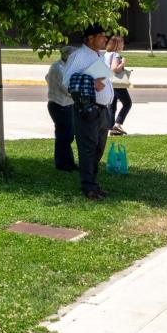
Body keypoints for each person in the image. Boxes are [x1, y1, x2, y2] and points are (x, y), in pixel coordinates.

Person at [61, 25, 115, 201]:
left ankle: (93, 183)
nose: (105, 39)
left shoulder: (98, 55)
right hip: (88, 109)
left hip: (102, 110)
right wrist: (91, 83)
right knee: (88, 149)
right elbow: (66, 83)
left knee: (98, 149)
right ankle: (88, 187)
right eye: (101, 36)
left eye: (105, 36)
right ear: (89, 38)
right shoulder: (79, 56)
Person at [43, 42, 80, 171]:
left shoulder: (63, 67)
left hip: (66, 105)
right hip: (59, 105)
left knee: (68, 135)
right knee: (63, 135)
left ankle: (69, 162)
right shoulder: (58, 68)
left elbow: (47, 77)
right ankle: (61, 163)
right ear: (68, 57)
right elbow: (67, 90)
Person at [106, 34, 132, 136]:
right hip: (117, 83)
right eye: (122, 43)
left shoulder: (107, 54)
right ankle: (118, 124)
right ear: (117, 44)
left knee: (112, 106)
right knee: (127, 103)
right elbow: (114, 69)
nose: (123, 45)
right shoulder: (115, 55)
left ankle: (111, 128)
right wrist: (123, 63)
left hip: (108, 82)